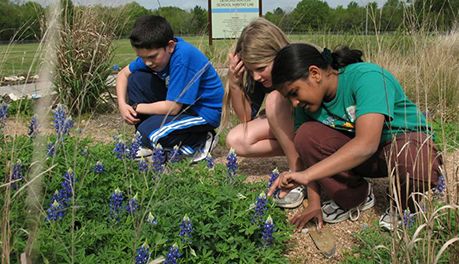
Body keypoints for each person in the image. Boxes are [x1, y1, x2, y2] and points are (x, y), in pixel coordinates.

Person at [267, 43, 442, 231]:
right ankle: (357, 196)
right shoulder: (307, 105)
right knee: (305, 136)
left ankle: (405, 206)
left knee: (415, 159)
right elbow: (306, 151)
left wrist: (305, 175)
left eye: (294, 92)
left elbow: (366, 144)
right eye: (289, 98)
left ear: (315, 73)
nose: (294, 103)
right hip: (361, 158)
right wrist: (314, 203)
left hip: (402, 146)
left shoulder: (367, 77)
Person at [222, 18, 305, 208]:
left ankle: (297, 172)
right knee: (236, 140)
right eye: (251, 71)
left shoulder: (301, 61)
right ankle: (299, 158)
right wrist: (235, 83)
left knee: (275, 99)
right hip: (293, 127)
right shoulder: (257, 75)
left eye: (261, 68)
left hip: (316, 126)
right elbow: (245, 118)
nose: (256, 76)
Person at [116, 15, 223, 161]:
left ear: (170, 46)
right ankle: (152, 140)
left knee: (147, 133)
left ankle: (201, 141)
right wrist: (122, 105)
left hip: (203, 113)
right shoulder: (154, 54)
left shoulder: (183, 57)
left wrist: (136, 107)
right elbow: (123, 74)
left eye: (152, 57)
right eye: (142, 58)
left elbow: (172, 108)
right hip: (181, 105)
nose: (147, 63)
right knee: (136, 78)